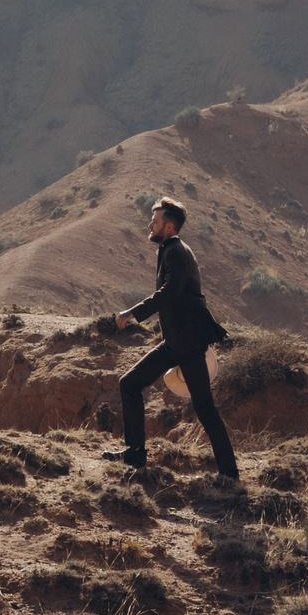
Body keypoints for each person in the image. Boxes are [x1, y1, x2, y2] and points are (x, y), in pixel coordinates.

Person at [114, 197, 240, 481]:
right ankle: (134, 456)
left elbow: (169, 292)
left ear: (169, 227)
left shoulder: (175, 251)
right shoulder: (169, 248)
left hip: (188, 344)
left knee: (204, 407)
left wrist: (133, 313)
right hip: (175, 342)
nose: (150, 224)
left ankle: (229, 473)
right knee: (130, 384)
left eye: (155, 221)